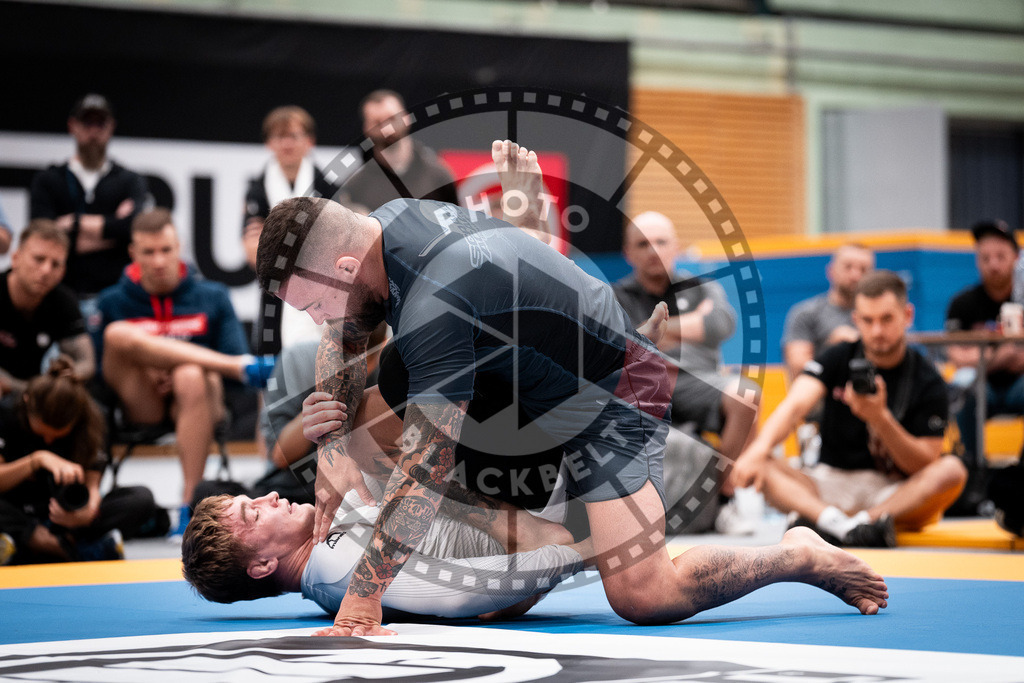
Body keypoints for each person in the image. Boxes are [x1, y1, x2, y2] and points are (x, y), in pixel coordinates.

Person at [254, 139, 889, 636]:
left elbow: (427, 463)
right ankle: (538, 539)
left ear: (346, 265)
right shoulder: (385, 223)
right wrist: (332, 447)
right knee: (364, 420)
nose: (318, 322)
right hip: (526, 375)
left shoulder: (431, 306)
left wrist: (363, 598)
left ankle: (796, 555)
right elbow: (346, 330)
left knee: (645, 595)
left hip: (614, 390)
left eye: (312, 304)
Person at [731, 270, 967, 547]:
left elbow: (923, 463)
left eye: (886, 319)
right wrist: (757, 451)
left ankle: (855, 523)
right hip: (829, 485)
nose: (877, 331)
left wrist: (880, 419)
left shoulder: (928, 378)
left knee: (952, 470)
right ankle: (840, 524)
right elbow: (795, 406)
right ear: (855, 320)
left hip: (892, 492)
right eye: (867, 320)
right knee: (760, 459)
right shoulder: (837, 356)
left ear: (907, 315)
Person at [93, 209, 275, 534]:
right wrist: (149, 366)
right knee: (116, 335)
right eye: (148, 252)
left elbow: (235, 374)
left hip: (200, 399)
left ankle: (189, 506)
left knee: (189, 374)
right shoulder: (111, 302)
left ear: (179, 247)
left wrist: (178, 364)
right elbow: (100, 376)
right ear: (133, 253)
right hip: (142, 402)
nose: (159, 260)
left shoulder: (213, 295)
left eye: (166, 249)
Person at [182, 487, 587, 620]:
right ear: (263, 565)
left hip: (529, 503)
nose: (270, 496)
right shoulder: (335, 568)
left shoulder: (325, 546)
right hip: (536, 522)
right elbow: (464, 593)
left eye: (252, 498)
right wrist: (589, 552)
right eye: (254, 513)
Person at [613, 211, 759, 534]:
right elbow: (619, 342)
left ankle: (725, 499)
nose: (653, 250)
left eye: (661, 242)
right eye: (643, 244)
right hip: (643, 389)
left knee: (747, 395)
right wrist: (693, 324)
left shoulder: (701, 288)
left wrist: (656, 329)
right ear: (628, 252)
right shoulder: (615, 295)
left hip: (696, 382)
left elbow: (721, 324)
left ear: (676, 246)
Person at [0, 356, 153, 565]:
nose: (48, 441)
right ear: (27, 402)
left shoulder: (93, 417)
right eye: (42, 433)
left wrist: (86, 512)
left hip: (67, 513)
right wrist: (37, 460)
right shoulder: (7, 412)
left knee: (140, 499)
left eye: (57, 436)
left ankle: (36, 549)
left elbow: (93, 485)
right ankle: (60, 547)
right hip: (18, 509)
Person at [29, 94, 149, 303]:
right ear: (72, 126)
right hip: (59, 297)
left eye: (100, 123)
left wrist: (72, 223)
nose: (93, 130)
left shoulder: (130, 180)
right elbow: (42, 236)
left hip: (116, 298)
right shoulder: (49, 179)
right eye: (87, 122)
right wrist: (113, 230)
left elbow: (133, 229)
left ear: (111, 127)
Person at [243, 106, 341, 357]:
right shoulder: (257, 190)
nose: (287, 144)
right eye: (279, 137)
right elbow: (252, 253)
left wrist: (274, 244)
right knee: (272, 364)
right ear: (269, 143)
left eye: (294, 136)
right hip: (273, 295)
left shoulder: (327, 187)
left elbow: (337, 247)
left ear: (309, 141)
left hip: (320, 293)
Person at [946, 219, 1024, 468]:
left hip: (1018, 386)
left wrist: (980, 355)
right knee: (962, 390)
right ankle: (973, 469)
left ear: (1015, 257)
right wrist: (1004, 355)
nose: (993, 265)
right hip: (981, 387)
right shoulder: (962, 303)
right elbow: (957, 357)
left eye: (1001, 256)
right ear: (977, 260)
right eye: (985, 258)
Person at [0, 220, 95, 400]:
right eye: (39, 259)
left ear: (63, 272)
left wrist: (70, 373)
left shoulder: (63, 301)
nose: (46, 270)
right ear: (16, 258)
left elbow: (86, 362)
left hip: (37, 395)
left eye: (55, 264)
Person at [338, 90, 458, 210]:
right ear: (366, 128)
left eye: (392, 119)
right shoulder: (356, 186)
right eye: (377, 123)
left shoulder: (438, 176)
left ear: (406, 118)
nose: (387, 129)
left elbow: (457, 218)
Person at [782, 243, 875, 381]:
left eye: (863, 269)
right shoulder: (805, 313)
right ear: (831, 271)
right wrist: (832, 348)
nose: (855, 275)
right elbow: (798, 371)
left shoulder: (878, 317)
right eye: (848, 267)